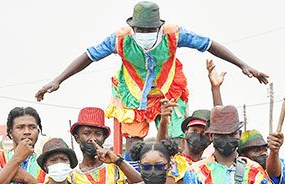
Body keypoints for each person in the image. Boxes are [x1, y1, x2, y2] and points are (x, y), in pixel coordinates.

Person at [35, 1, 268, 139]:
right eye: (140, 30)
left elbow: (210, 44)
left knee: (176, 138)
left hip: (169, 90)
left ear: (158, 27)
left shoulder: (174, 34)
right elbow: (88, 56)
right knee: (135, 140)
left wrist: (243, 65)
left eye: (150, 30)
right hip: (133, 93)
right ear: (132, 27)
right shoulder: (119, 39)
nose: (145, 35)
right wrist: (58, 80)